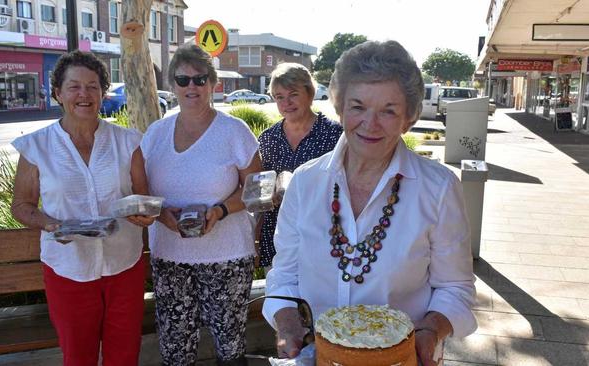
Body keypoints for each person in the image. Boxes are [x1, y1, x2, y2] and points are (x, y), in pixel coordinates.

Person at [263, 40, 477, 366]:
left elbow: (455, 287)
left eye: (388, 111)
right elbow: (285, 273)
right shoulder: (306, 182)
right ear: (340, 108)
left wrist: (431, 331)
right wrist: (287, 321)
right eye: (358, 106)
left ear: (409, 118)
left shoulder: (439, 188)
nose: (370, 123)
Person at [10, 50, 154, 366]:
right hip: (67, 267)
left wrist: (142, 214)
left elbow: (144, 199)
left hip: (124, 266)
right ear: (58, 93)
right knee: (78, 357)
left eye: (92, 86)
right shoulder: (37, 147)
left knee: (125, 355)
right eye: (74, 86)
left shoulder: (128, 142)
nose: (84, 94)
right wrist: (51, 224)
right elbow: (21, 205)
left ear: (103, 93)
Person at [140, 44, 262, 366]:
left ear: (213, 83)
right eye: (182, 80)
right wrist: (160, 213)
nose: (191, 87)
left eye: (200, 79)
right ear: (172, 85)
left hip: (227, 257)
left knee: (229, 346)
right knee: (175, 349)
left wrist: (219, 211)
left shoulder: (234, 131)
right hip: (171, 257)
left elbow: (255, 189)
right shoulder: (155, 134)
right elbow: (141, 190)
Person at [257, 63, 342, 268]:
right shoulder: (268, 138)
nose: (287, 102)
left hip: (324, 235)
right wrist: (269, 194)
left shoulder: (335, 135)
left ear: (310, 93)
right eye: (279, 97)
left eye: (293, 94)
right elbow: (260, 188)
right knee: (282, 296)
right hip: (278, 236)